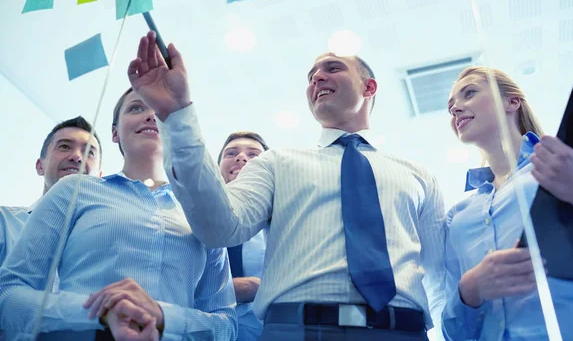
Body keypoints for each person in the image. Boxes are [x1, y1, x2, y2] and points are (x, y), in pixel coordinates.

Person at [121, 31, 446, 340]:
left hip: (403, 330)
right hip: (294, 330)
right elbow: (220, 229)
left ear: (369, 87)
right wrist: (176, 114)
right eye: (311, 75)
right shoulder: (276, 164)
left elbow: (440, 272)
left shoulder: (418, 176)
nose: (317, 78)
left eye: (332, 68)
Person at [0, 88, 237, 341]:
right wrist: (101, 312)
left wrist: (164, 317)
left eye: (160, 111)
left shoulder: (202, 211)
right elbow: (9, 294)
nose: (150, 115)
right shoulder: (74, 190)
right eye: (137, 108)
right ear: (115, 133)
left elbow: (228, 325)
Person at [443, 66, 573, 340]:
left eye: (469, 93)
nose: (455, 108)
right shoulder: (458, 217)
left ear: (512, 101)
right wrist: (469, 289)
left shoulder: (567, 167)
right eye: (451, 106)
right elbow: (454, 333)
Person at [0, 116, 103, 341]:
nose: (77, 156)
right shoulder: (3, 222)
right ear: (40, 166)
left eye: (89, 152)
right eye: (65, 146)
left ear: (100, 178)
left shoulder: (106, 248)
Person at [217, 131, 269, 341]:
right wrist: (245, 287)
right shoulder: (190, 218)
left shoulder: (282, 223)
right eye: (230, 153)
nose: (241, 157)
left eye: (253, 155)